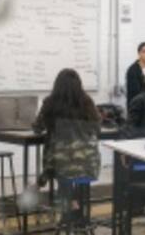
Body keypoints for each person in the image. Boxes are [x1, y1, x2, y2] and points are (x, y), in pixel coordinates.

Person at [32, 68, 101, 215]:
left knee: (63, 166)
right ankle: (76, 207)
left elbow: (38, 128)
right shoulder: (87, 102)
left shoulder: (50, 103)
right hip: (89, 164)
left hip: (60, 163)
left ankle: (69, 206)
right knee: (73, 167)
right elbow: (96, 127)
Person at [125, 42, 145, 108]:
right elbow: (135, 92)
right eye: (144, 52)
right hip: (136, 107)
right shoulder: (132, 70)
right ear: (139, 53)